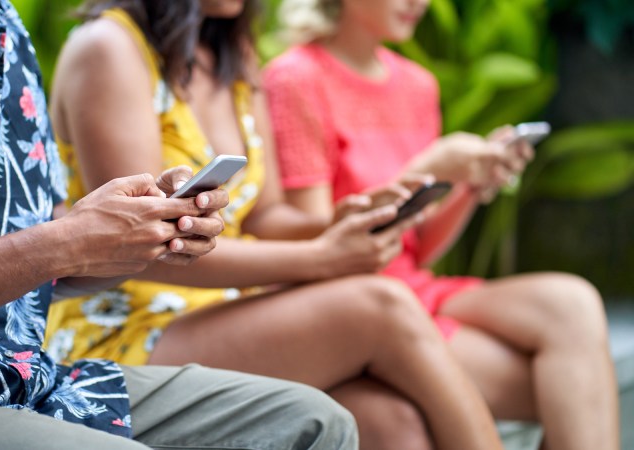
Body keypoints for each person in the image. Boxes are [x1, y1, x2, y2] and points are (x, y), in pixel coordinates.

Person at [0, 0, 363, 449]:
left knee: (316, 423)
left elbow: (33, 244)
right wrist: (62, 244)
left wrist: (144, 234)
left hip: (26, 378)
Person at [45, 1, 504, 448]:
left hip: (225, 309)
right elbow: (139, 247)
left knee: (393, 424)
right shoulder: (110, 46)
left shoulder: (233, 54)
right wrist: (319, 259)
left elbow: (266, 218)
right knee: (383, 304)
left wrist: (336, 224)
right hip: (120, 324)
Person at [262, 0, 619, 449]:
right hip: (345, 302)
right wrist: (429, 165)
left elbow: (421, 246)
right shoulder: (294, 78)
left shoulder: (417, 85)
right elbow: (315, 238)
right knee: (571, 388)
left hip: (414, 286)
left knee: (572, 301)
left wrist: (469, 184)